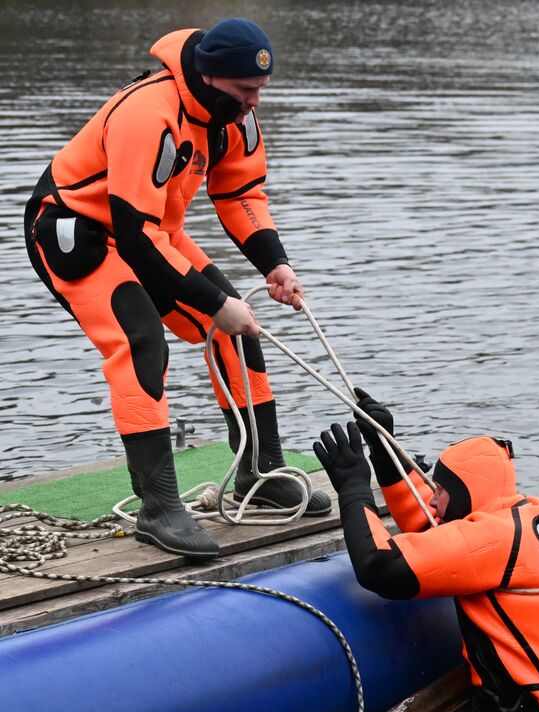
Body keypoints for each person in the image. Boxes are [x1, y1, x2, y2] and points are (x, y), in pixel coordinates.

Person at [24, 18, 330, 561]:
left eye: (261, 89)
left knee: (239, 330)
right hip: (78, 232)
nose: (255, 102)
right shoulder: (148, 113)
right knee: (142, 340)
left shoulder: (234, 115)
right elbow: (136, 238)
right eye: (246, 90)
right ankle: (158, 507)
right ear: (210, 77)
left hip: (150, 230)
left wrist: (275, 264)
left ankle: (260, 470)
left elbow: (240, 194)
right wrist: (215, 304)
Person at [313, 394, 539, 712]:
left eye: (440, 490)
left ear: (468, 493)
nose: (433, 500)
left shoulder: (494, 540)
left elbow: (380, 567)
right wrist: (385, 454)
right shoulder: (521, 516)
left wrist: (354, 490)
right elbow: (434, 531)